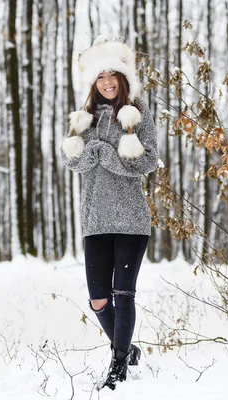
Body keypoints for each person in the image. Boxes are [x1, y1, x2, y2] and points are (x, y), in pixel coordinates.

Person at [61, 36, 158, 391]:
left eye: (112, 75)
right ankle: (128, 348)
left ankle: (118, 366)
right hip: (95, 219)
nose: (106, 82)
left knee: (123, 294)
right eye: (99, 77)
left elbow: (148, 160)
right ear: (93, 82)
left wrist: (109, 157)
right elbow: (71, 160)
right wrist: (96, 152)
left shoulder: (138, 113)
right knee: (99, 299)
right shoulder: (82, 118)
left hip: (131, 219)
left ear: (122, 78)